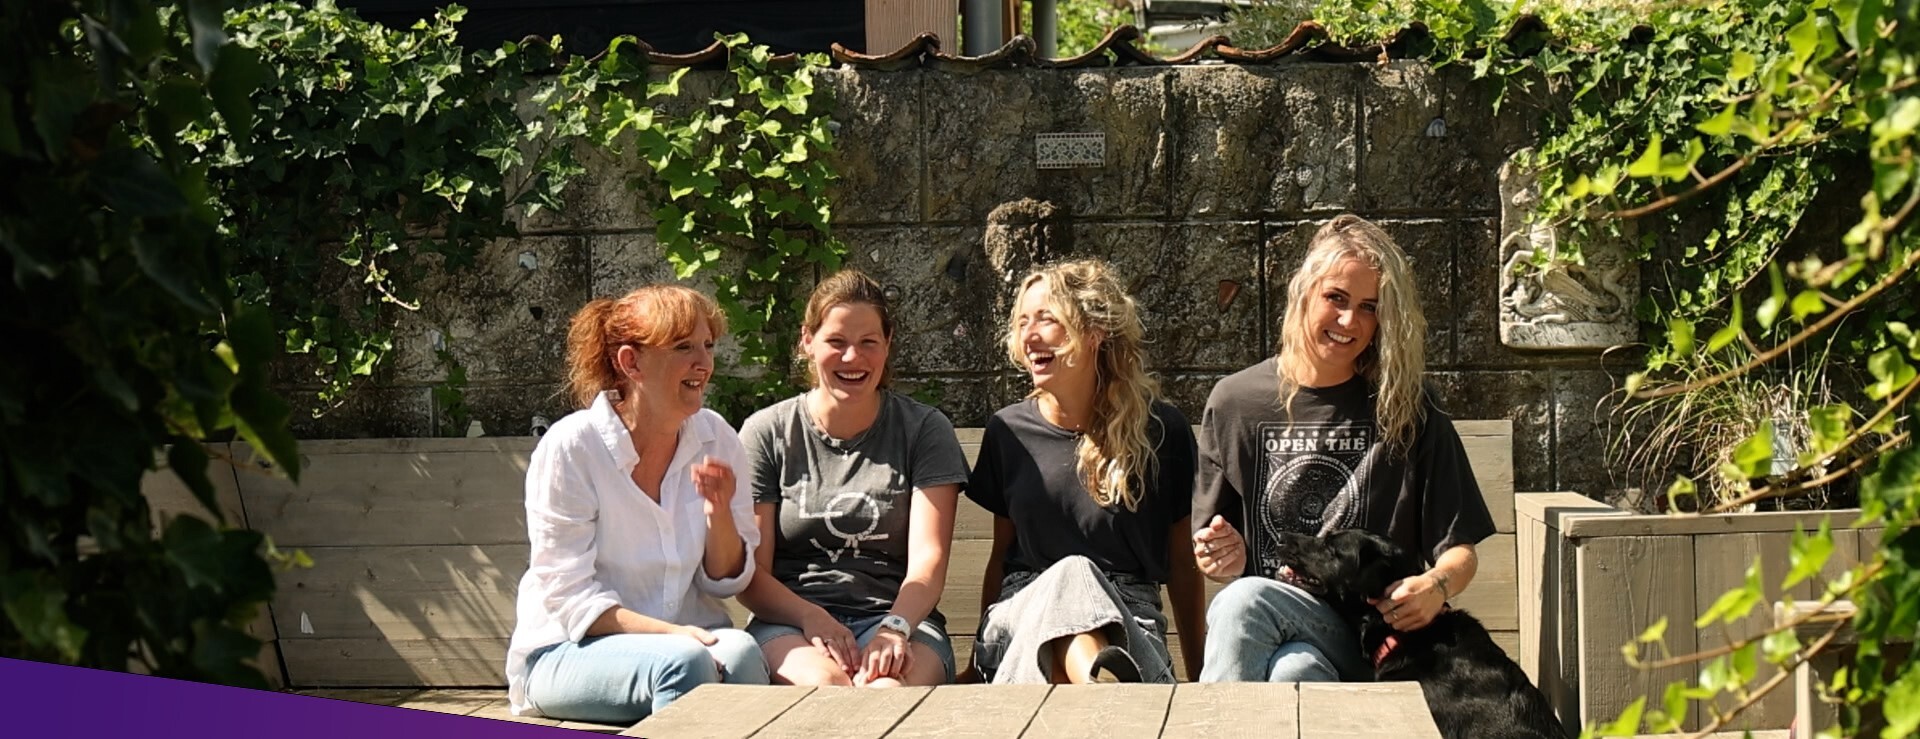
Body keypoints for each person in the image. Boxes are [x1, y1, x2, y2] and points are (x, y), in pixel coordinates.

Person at [1192, 214, 1497, 684]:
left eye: (1369, 307)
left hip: (1373, 641)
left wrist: (1435, 587)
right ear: (1303, 293)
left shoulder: (1406, 407)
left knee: (1243, 600)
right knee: (1295, 671)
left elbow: (1460, 552)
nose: (1349, 320)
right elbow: (1220, 557)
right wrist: (1222, 559)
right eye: (1335, 298)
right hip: (1276, 628)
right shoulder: (1236, 403)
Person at [505, 284, 768, 722]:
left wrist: (719, 513)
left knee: (741, 651)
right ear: (631, 362)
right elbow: (572, 599)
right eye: (683, 347)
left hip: (685, 643)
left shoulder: (716, 436)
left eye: (707, 345)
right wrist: (675, 635)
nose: (703, 363)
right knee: (682, 663)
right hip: (567, 651)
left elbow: (726, 582)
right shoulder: (572, 447)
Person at [965, 258, 1206, 684]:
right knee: (1071, 573)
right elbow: (1001, 555)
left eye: (1047, 319)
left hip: (1130, 623)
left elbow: (1182, 565)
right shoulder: (1009, 432)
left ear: (1094, 333)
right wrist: (974, 662)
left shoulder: (1161, 432)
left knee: (1077, 582)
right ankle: (1104, 702)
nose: (1030, 334)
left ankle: (1097, 699)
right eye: (1022, 322)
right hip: (1023, 615)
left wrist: (1201, 676)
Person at [735, 270, 969, 687]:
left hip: (902, 620)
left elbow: (928, 561)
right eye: (836, 342)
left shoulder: (923, 430)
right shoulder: (767, 432)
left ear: (888, 344)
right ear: (808, 341)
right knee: (825, 688)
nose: (852, 359)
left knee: (886, 692)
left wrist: (894, 629)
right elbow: (753, 574)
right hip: (790, 623)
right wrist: (811, 616)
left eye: (867, 343)